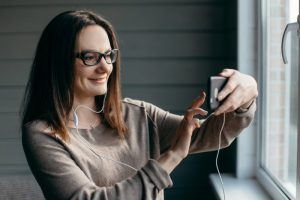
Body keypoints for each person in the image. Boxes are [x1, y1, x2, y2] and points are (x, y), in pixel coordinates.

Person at [21, 10, 258, 200]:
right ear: (58, 62)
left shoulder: (139, 115)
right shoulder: (42, 134)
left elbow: (210, 134)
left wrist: (247, 96)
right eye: (90, 57)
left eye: (108, 55)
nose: (105, 67)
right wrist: (173, 156)